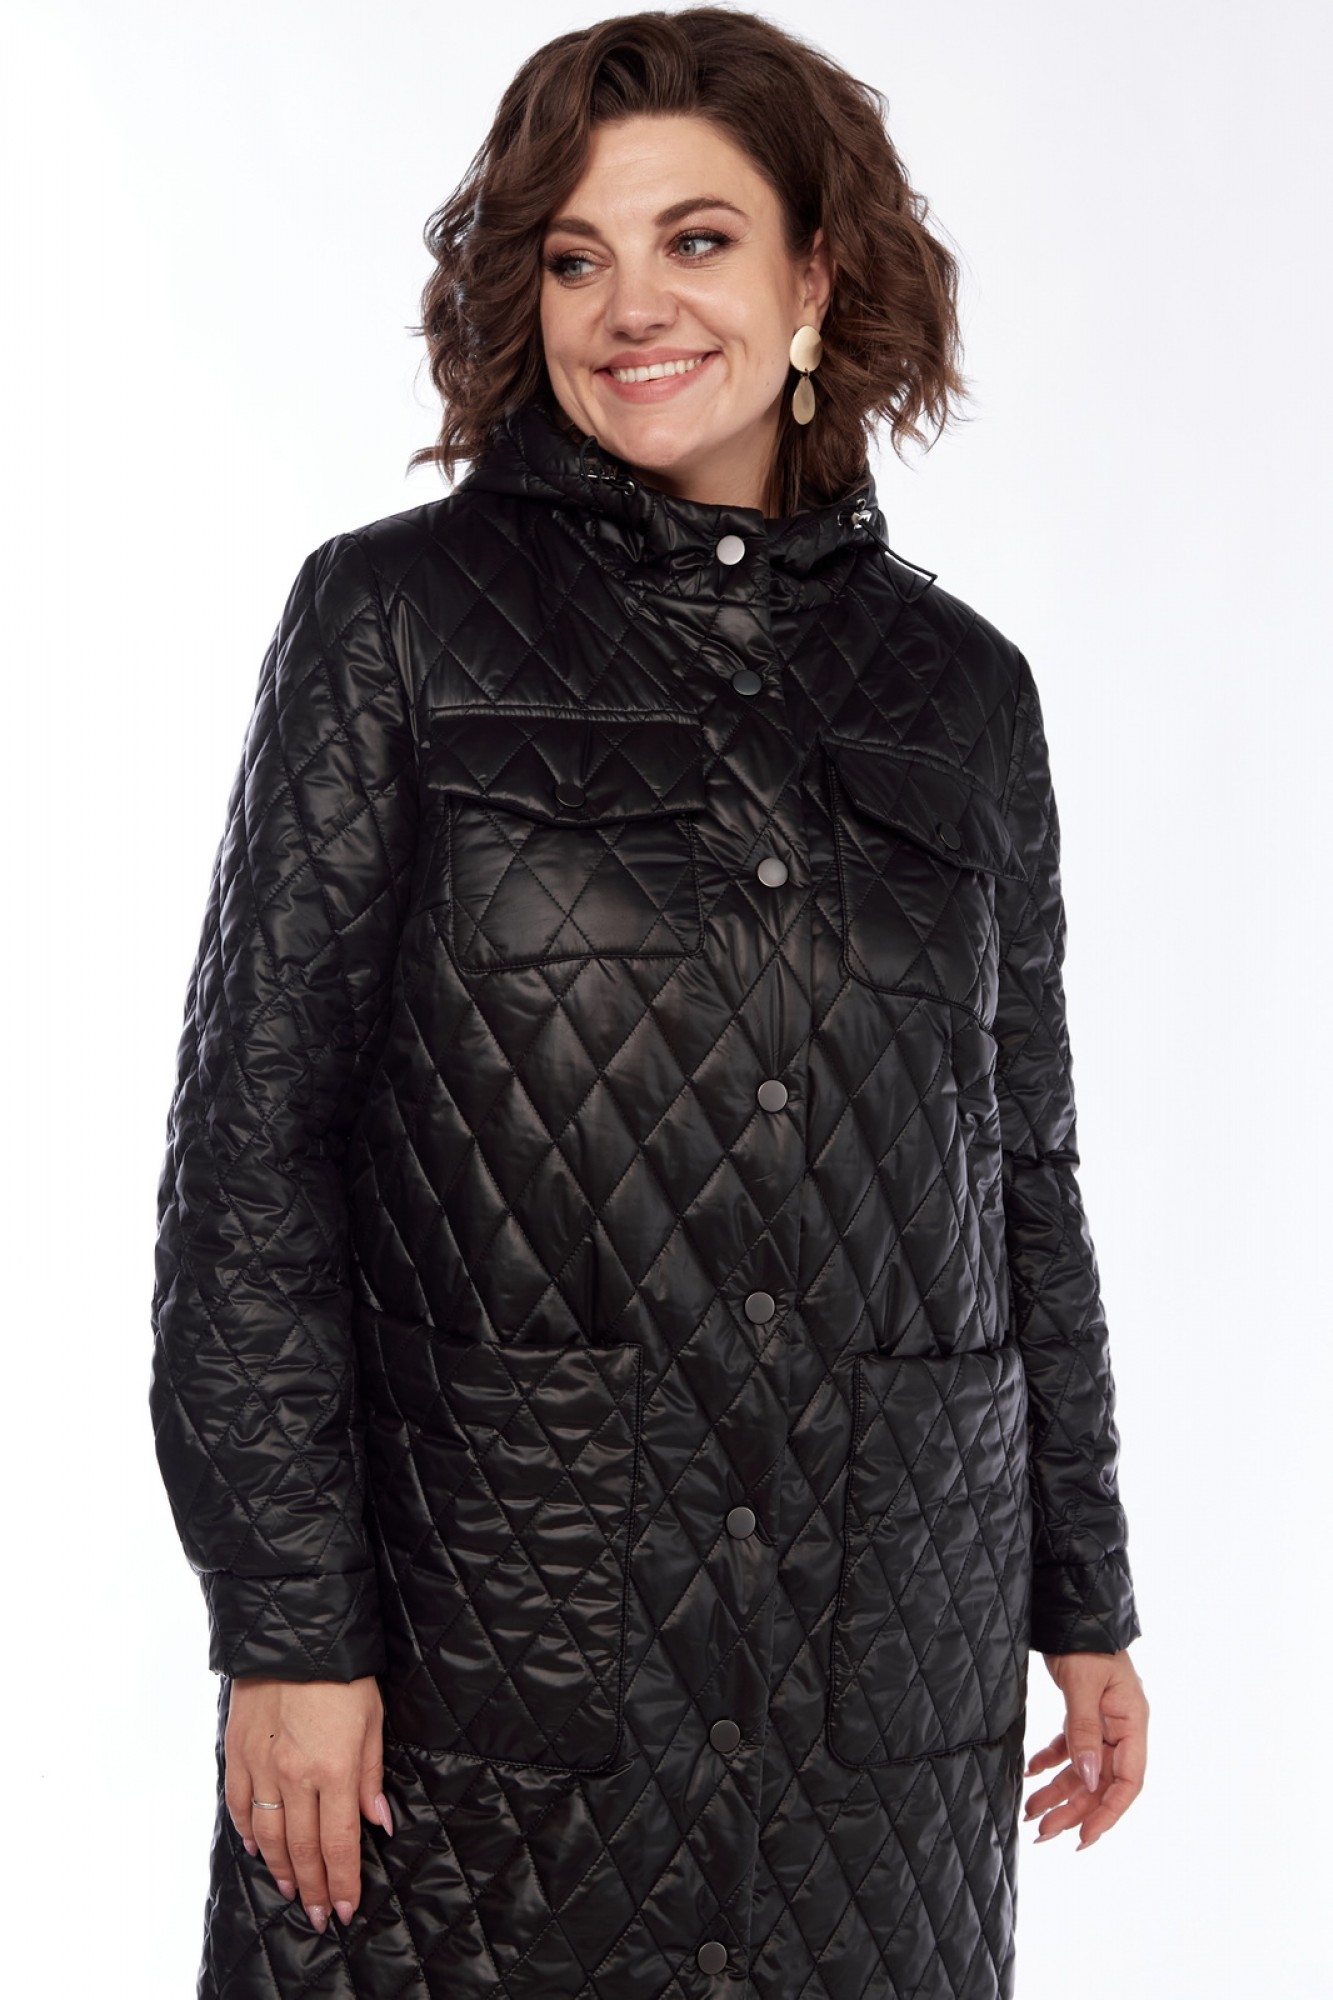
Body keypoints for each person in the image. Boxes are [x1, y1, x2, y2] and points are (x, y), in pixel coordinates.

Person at [148, 10, 1149, 1998]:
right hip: (481, 1653)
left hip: (884, 1666)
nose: (630, 308)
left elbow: (1019, 1166)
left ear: (815, 278)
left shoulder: (964, 694)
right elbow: (253, 1158)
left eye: (697, 240)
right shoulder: (394, 625)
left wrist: (1085, 1590)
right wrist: (286, 1627)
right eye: (574, 255)